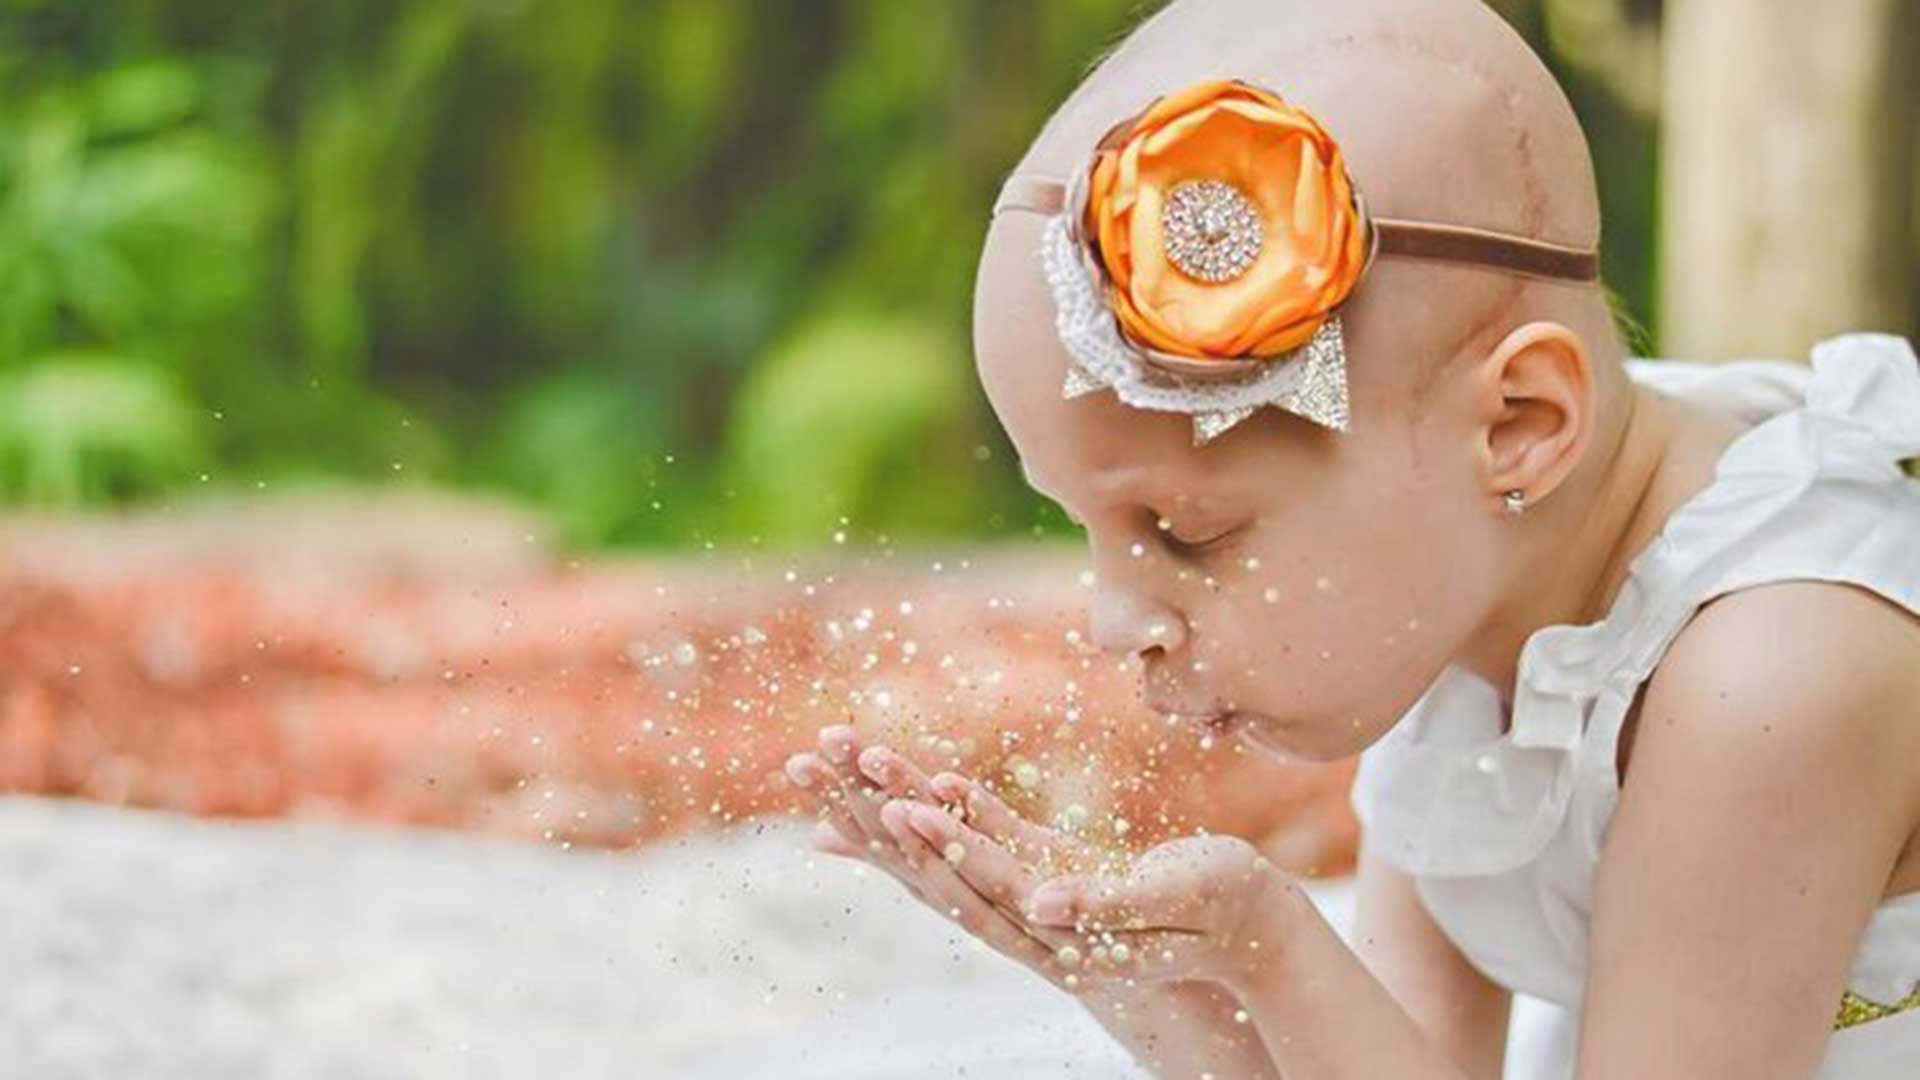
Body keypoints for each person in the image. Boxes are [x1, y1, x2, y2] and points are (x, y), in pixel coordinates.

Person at [784, 0, 1920, 1075]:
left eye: (1187, 532)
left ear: (1522, 426)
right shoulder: (1466, 568)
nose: (1112, 618)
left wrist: (1276, 948)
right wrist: (1150, 981)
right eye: (1084, 526)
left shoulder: (1771, 676)